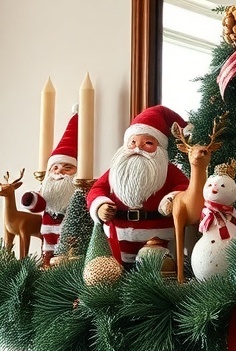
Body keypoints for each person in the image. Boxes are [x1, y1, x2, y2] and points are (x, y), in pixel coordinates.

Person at [87, 105, 189, 265]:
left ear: (160, 148)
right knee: (116, 270)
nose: (138, 148)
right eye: (133, 142)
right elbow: (97, 189)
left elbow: (185, 188)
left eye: (148, 143)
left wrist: (172, 199)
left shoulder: (167, 170)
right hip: (118, 239)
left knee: (154, 266)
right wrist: (100, 206)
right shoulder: (116, 170)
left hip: (156, 239)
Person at [21, 111, 78, 265]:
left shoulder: (76, 191)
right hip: (48, 236)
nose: (59, 171)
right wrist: (29, 199)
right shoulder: (47, 188)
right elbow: (38, 204)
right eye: (55, 167)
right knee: (48, 257)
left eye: (67, 168)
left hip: (70, 240)